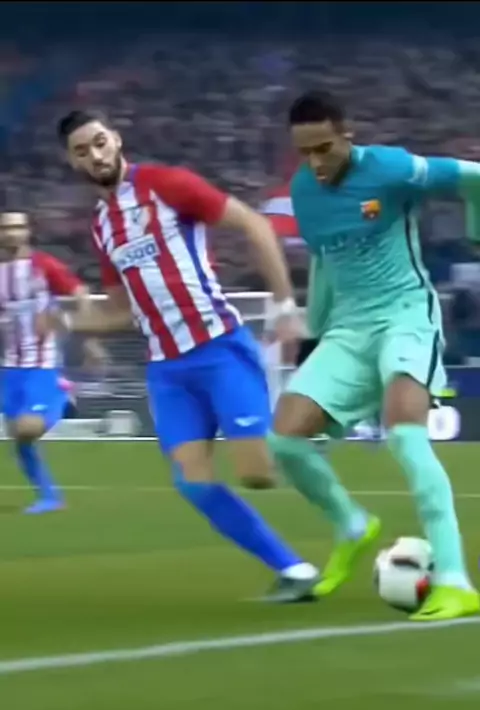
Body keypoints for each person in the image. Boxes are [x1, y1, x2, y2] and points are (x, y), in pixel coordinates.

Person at [54, 109, 320, 602]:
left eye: (99, 142)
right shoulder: (102, 227)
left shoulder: (166, 184)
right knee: (192, 483)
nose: (95, 155)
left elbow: (255, 225)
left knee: (257, 473)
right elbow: (121, 311)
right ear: (73, 162)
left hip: (219, 348)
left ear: (116, 140)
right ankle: (294, 569)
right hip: (167, 370)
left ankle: (316, 431)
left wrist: (285, 307)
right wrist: (65, 322)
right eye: (82, 151)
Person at [269, 89, 480, 621]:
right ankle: (352, 525)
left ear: (348, 135)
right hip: (349, 329)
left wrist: (477, 230)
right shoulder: (304, 191)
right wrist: (315, 333)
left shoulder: (391, 168)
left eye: (324, 148)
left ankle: (455, 580)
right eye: (304, 152)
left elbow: (473, 176)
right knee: (285, 439)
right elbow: (324, 262)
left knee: (406, 437)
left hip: (406, 316)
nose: (316, 163)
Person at [0, 212, 97, 513]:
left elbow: (81, 294)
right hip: (9, 367)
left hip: (41, 365)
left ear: (28, 232)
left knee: (28, 429)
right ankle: (50, 497)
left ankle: (62, 394)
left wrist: (82, 330)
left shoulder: (43, 265)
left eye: (18, 227)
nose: (11, 232)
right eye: (5, 228)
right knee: (20, 438)